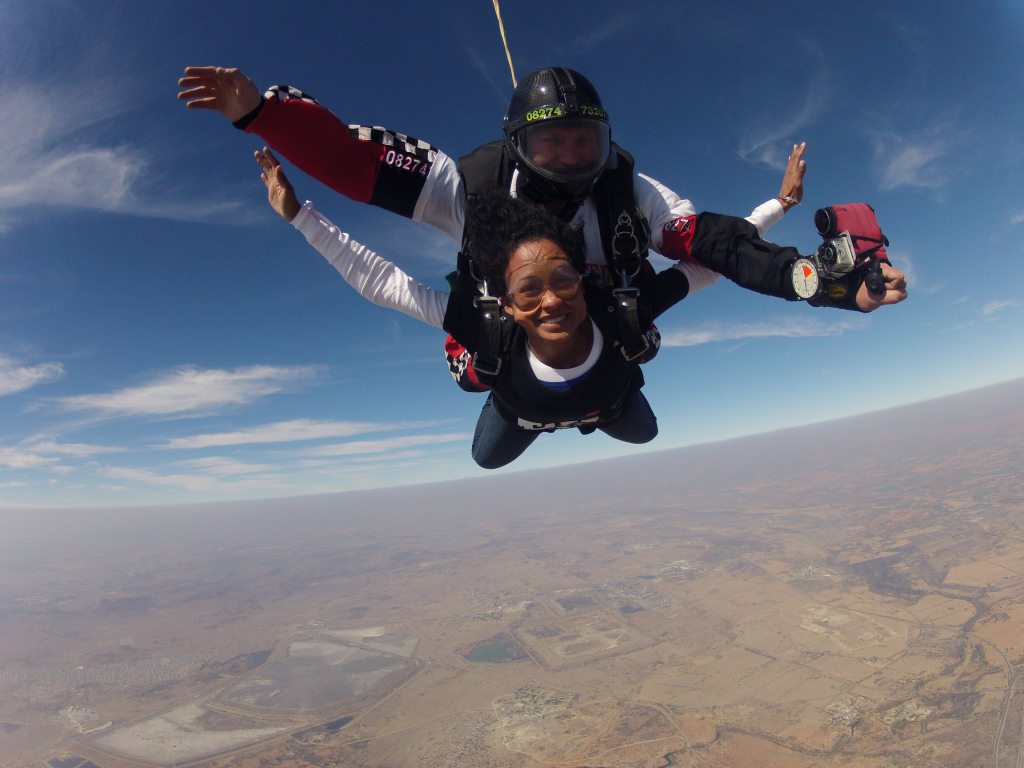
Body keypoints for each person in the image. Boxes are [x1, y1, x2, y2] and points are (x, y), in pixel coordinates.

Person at [256, 147, 901, 469]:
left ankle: (574, 415)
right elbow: (381, 282)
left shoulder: (622, 308)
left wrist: (786, 221)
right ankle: (538, 416)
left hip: (603, 404)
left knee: (643, 434)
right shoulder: (485, 326)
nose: (550, 300)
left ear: (583, 276)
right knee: (485, 458)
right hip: (523, 410)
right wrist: (301, 217)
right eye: (527, 290)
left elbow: (711, 262)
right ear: (505, 303)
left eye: (562, 278)